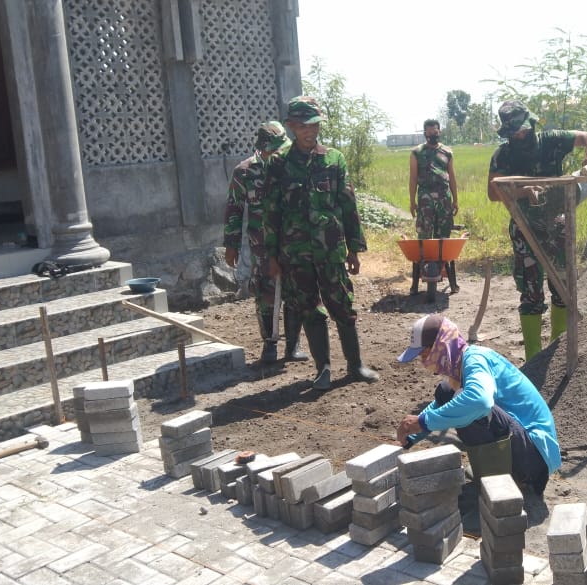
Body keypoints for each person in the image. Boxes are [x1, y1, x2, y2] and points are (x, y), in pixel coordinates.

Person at [263, 96, 379, 390]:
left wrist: (355, 248)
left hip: (331, 251)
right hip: (295, 254)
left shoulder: (333, 159)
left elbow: (348, 205)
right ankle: (323, 369)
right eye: (302, 125)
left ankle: (355, 366)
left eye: (314, 124)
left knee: (342, 306)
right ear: (291, 127)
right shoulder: (278, 163)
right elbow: (271, 211)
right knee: (309, 310)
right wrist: (271, 255)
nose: (309, 131)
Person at [487, 100, 587, 361]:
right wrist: (522, 192)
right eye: (514, 133)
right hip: (523, 228)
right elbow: (493, 193)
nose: (519, 136)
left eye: (523, 131)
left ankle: (557, 350)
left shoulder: (552, 140)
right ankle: (533, 359)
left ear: (532, 124)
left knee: (562, 286)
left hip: (557, 225)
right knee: (530, 292)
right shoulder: (502, 155)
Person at [395, 313, 560, 495]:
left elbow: (481, 401)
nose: (424, 363)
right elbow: (440, 405)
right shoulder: (460, 368)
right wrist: (411, 435)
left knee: (472, 407)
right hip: (523, 445)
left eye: (425, 354)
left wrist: (424, 421)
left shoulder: (475, 359)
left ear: (441, 345)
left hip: (535, 457)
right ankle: (497, 470)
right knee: (447, 392)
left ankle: (509, 479)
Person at [223, 121, 309, 364]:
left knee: (294, 293)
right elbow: (234, 209)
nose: (278, 153)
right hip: (261, 244)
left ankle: (292, 346)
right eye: (274, 150)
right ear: (261, 149)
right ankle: (269, 344)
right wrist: (232, 245)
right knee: (266, 293)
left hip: (292, 242)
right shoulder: (244, 172)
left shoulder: (292, 165)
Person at [408, 118, 460, 295]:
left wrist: (455, 199)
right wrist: (412, 201)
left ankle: (446, 275)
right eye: (429, 132)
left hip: (444, 198)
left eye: (435, 132)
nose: (432, 135)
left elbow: (452, 177)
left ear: (439, 132)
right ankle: (418, 280)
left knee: (443, 238)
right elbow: (413, 178)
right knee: (424, 237)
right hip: (425, 198)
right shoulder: (417, 152)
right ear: (425, 133)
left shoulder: (447, 152)